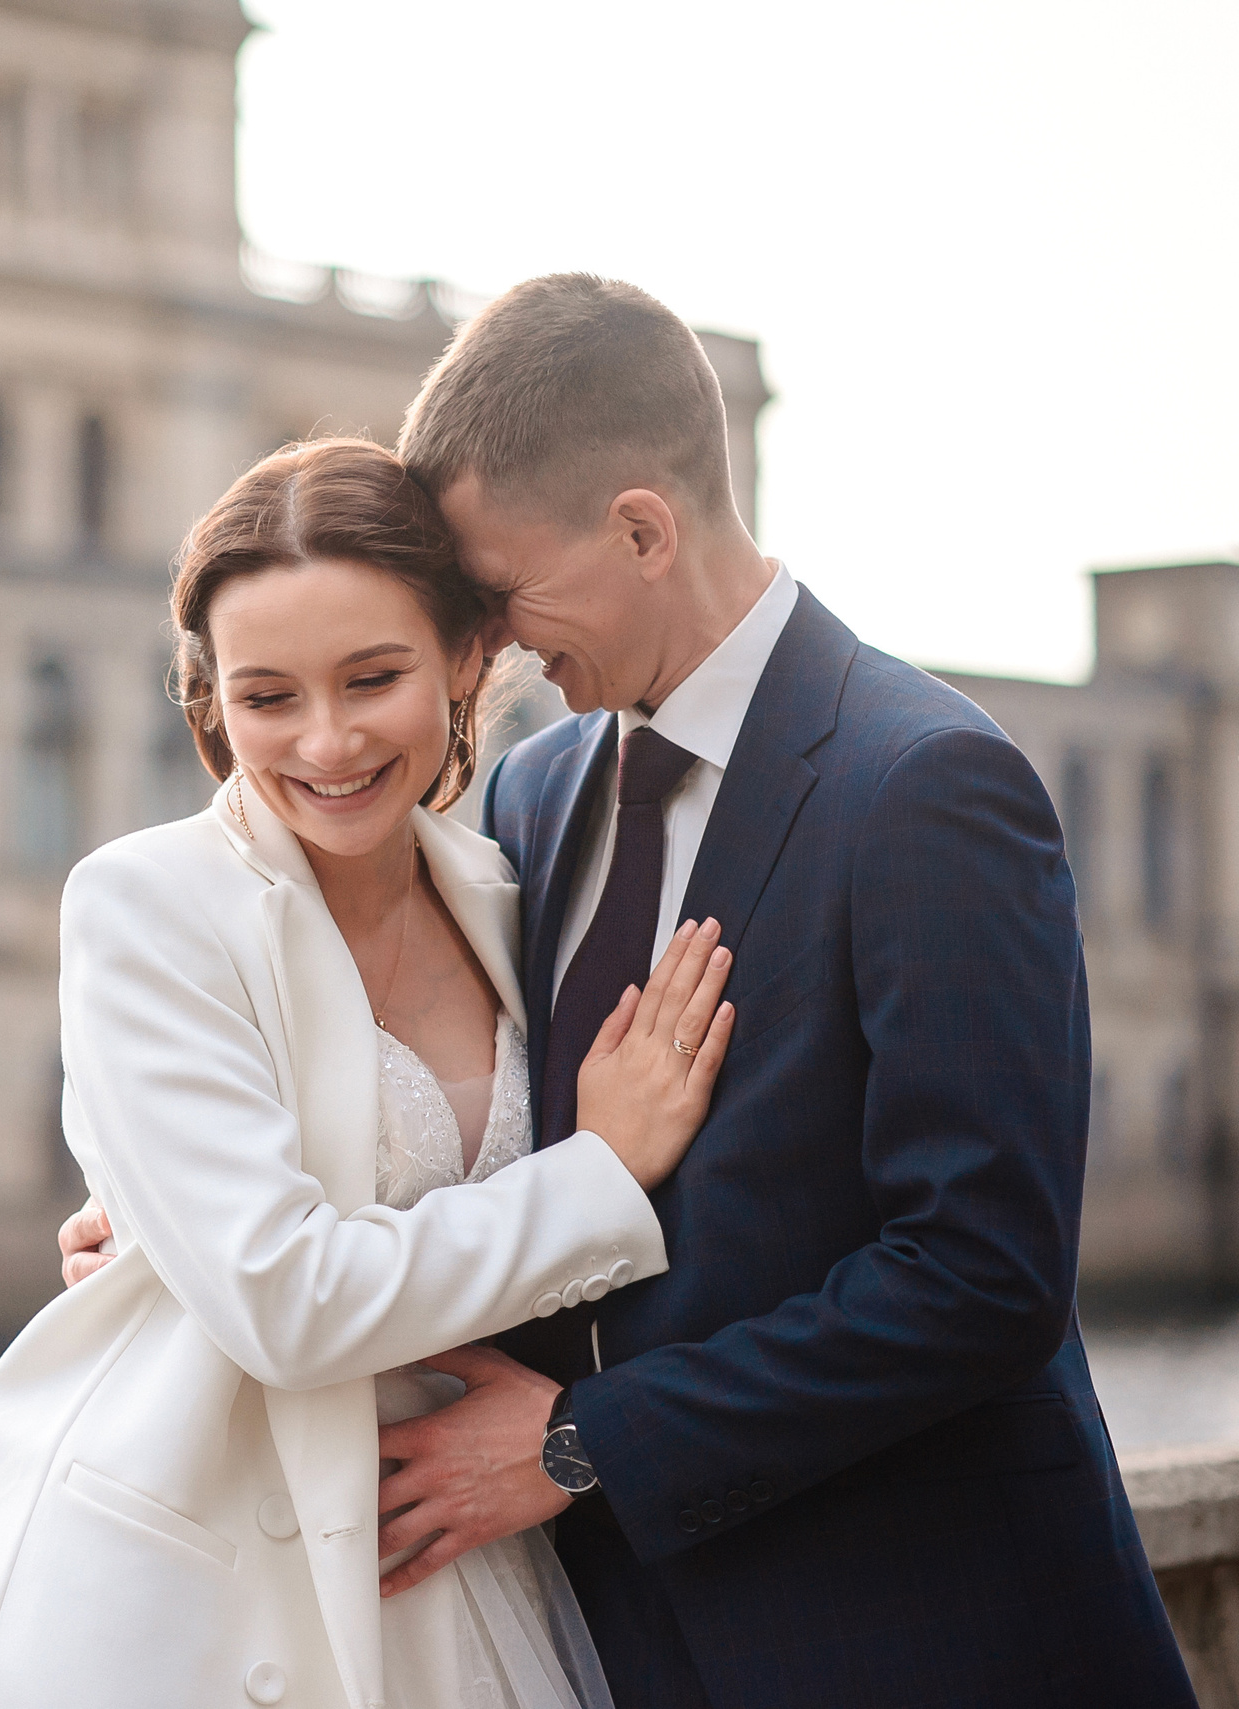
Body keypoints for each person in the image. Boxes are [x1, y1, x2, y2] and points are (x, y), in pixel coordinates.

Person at [64, 274, 1196, 1709]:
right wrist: (178, 1234)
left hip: (925, 1631)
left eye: (499, 590)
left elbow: (984, 1277)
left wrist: (581, 1442)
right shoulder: (534, 798)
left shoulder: (924, 784)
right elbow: (502, 1154)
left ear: (643, 530)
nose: (495, 642)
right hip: (623, 1644)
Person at [0, 436, 735, 1709]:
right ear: (210, 700)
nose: (326, 739)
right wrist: (600, 1170)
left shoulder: (510, 894)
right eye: (267, 695)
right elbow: (285, 1299)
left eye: (372, 675)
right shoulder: (145, 904)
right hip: (190, 1595)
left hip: (446, 1557)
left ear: (465, 658)